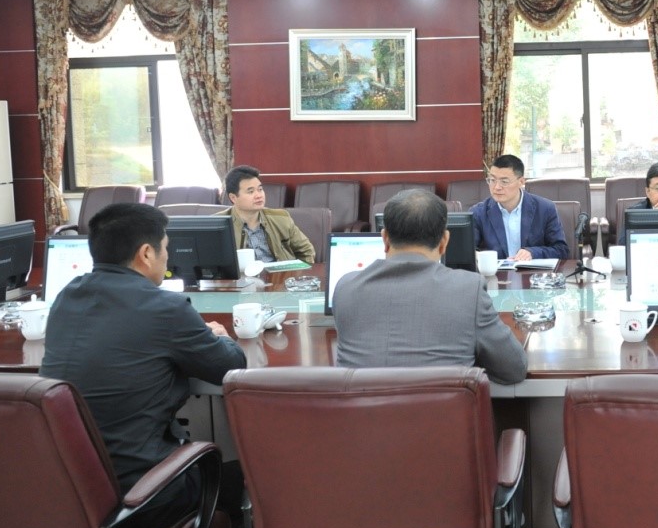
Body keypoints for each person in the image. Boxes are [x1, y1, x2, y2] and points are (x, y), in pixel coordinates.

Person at [39, 202, 246, 528]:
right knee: (238, 474)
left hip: (69, 496)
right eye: (166, 248)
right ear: (146, 253)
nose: (167, 258)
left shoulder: (67, 298)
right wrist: (218, 337)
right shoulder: (164, 307)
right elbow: (230, 367)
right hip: (140, 500)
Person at [334, 189, 527, 384]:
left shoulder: (346, 288)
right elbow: (513, 369)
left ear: (384, 239)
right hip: (441, 405)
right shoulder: (469, 290)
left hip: (362, 404)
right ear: (444, 242)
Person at [470, 154, 570, 261]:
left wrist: (533, 253)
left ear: (521, 182)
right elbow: (468, 250)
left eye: (504, 182)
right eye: (492, 180)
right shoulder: (478, 213)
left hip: (533, 271)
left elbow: (561, 250)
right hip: (495, 271)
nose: (497, 187)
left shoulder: (545, 209)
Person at [217, 164, 315, 263]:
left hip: (280, 272)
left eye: (260, 189)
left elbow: (307, 251)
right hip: (241, 273)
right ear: (233, 197)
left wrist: (297, 272)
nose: (258, 195)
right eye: (250, 192)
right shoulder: (218, 225)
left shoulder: (281, 218)